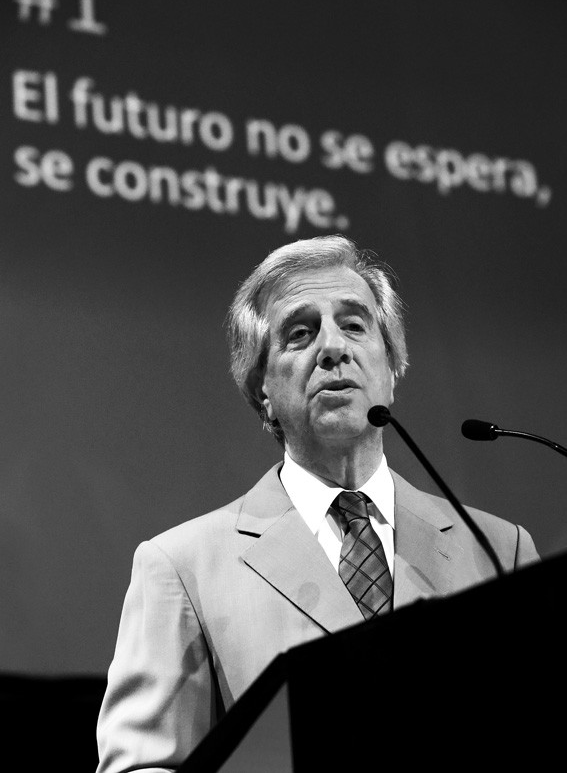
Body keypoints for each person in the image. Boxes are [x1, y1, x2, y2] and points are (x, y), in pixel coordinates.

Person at [95, 234, 540, 772]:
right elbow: (140, 768)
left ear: (392, 369)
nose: (334, 348)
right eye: (300, 333)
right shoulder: (182, 566)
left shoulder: (500, 550)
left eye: (354, 326)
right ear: (263, 391)